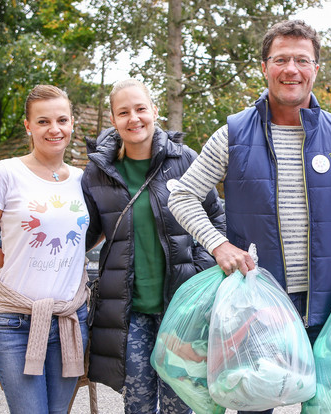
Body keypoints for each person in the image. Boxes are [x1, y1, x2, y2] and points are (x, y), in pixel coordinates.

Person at [168, 20, 331, 414]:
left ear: (316, 67)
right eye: (281, 59)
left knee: (328, 406)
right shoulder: (233, 134)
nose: (291, 69)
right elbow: (180, 194)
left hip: (330, 302)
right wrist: (218, 244)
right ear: (265, 67)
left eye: (302, 59)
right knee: (253, 405)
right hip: (256, 304)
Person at [81, 78, 226, 414]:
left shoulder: (184, 159)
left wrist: (201, 272)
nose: (134, 118)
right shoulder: (98, 172)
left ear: (155, 111)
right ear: (113, 119)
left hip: (182, 310)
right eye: (123, 112)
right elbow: (83, 235)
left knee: (181, 404)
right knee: (138, 406)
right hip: (129, 313)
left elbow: (217, 219)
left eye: (140, 109)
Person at [0, 85, 90, 413]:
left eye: (62, 119)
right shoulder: (6, 173)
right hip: (15, 323)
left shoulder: (83, 179)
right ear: (28, 126)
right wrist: (19, 259)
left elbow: (94, 232)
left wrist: (66, 259)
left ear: (72, 123)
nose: (54, 128)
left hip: (69, 320)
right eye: (43, 121)